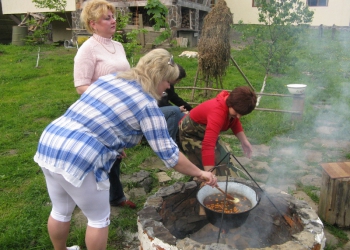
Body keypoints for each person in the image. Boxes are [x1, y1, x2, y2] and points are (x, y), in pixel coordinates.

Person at [34, 48, 217, 250]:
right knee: (98, 220)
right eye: (168, 81)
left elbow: (101, 115)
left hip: (51, 141)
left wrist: (116, 144)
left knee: (60, 210)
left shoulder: (111, 79)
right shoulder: (148, 105)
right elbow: (170, 155)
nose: (168, 87)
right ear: (158, 77)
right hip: (81, 156)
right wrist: (200, 172)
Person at [73, 0, 135, 209]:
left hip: (119, 110)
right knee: (102, 154)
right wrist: (107, 97)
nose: (113, 20)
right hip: (99, 110)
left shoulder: (117, 46)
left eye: (113, 16)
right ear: (93, 24)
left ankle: (114, 196)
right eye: (107, 18)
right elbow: (81, 85)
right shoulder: (87, 49)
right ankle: (95, 198)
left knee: (116, 153)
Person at [178, 86, 257, 176]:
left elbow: (234, 122)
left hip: (207, 132)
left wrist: (244, 141)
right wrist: (210, 174)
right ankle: (201, 185)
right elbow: (208, 145)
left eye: (241, 114)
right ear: (231, 103)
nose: (238, 116)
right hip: (191, 134)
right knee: (203, 173)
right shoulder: (217, 113)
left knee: (225, 162)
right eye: (237, 112)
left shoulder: (231, 106)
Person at [158, 64, 192, 142]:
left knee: (183, 115)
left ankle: (181, 138)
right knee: (175, 112)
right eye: (178, 79)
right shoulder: (159, 84)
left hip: (164, 110)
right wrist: (177, 109)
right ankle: (169, 141)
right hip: (155, 111)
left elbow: (175, 99)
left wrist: (191, 110)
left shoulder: (169, 86)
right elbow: (159, 103)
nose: (178, 82)